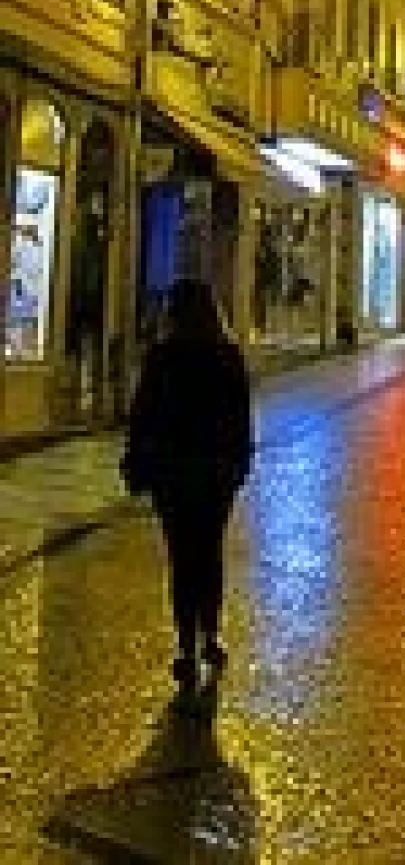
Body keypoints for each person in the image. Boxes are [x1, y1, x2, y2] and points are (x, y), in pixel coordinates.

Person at [121, 276, 254, 701]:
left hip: (173, 472)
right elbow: (240, 417)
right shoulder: (227, 355)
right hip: (215, 471)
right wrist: (239, 462)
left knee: (181, 559)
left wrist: (135, 459)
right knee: (209, 553)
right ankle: (210, 634)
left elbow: (142, 414)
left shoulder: (162, 356)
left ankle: (185, 644)